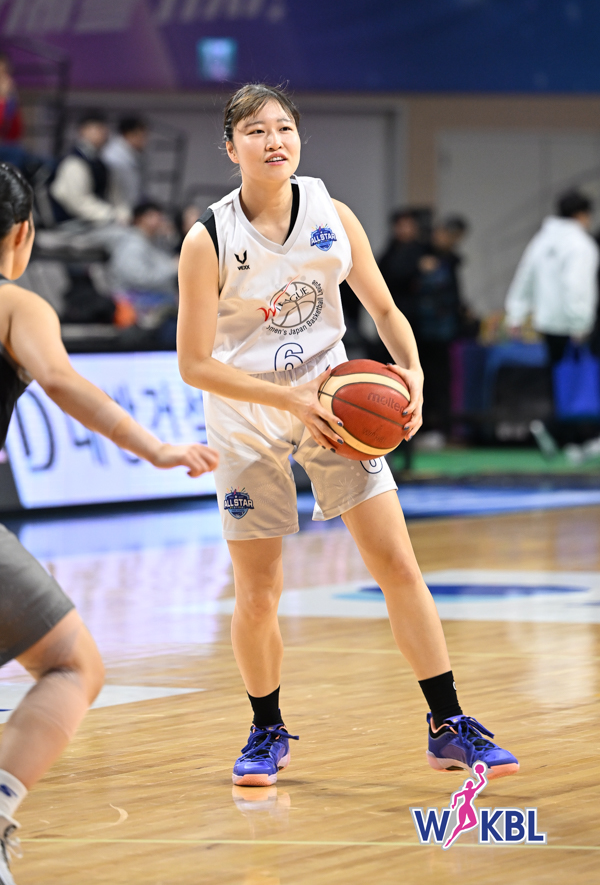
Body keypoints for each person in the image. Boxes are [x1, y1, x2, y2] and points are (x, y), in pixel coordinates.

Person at [177, 83, 518, 789]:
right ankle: (266, 728)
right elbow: (194, 364)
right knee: (259, 591)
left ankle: (447, 723)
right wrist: (286, 399)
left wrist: (412, 372)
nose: (274, 140)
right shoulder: (208, 239)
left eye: (284, 127)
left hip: (333, 405)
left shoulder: (332, 214)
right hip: (248, 415)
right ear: (231, 148)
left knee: (398, 564)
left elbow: (385, 310)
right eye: (255, 131)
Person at [0, 162, 218, 885]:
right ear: (23, 235)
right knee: (73, 666)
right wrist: (155, 447)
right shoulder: (17, 305)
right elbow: (62, 381)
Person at [505, 190, 599, 368]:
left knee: (554, 375)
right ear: (581, 215)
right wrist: (580, 324)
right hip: (573, 328)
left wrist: (516, 314)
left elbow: (525, 277)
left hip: (547, 323)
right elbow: (576, 286)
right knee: (577, 378)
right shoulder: (581, 245)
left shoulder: (541, 240)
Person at [416, 215, 470, 438]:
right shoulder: (418, 256)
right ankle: (424, 428)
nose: (449, 240)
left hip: (443, 333)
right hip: (422, 332)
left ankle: (442, 429)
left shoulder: (450, 261)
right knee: (425, 380)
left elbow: (453, 295)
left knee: (442, 381)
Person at [50, 110, 129, 226]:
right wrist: (111, 215)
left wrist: (123, 214)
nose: (103, 133)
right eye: (97, 128)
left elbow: (116, 197)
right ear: (83, 131)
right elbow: (78, 202)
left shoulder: (100, 164)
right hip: (73, 224)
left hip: (97, 222)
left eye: (104, 128)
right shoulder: (73, 162)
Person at [110, 200, 178, 326]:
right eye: (152, 216)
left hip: (157, 303)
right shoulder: (131, 244)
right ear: (139, 219)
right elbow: (138, 278)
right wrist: (172, 268)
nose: (158, 221)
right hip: (136, 307)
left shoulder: (153, 242)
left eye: (159, 216)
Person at [102, 116, 148, 214]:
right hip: (115, 210)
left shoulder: (131, 154)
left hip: (127, 208)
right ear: (130, 134)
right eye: (142, 136)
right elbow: (114, 191)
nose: (145, 141)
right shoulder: (113, 156)